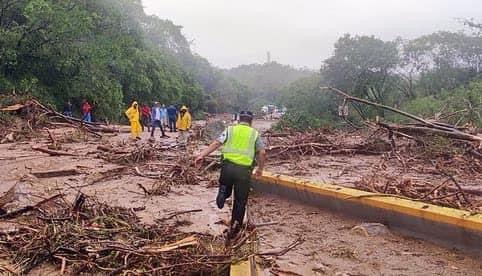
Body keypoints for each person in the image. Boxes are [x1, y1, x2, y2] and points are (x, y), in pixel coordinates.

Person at [195, 111, 266, 239]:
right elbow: (262, 153)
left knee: (225, 185)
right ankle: (235, 226)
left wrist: (202, 155)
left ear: (239, 120)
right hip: (244, 171)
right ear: (251, 122)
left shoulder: (230, 130)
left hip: (227, 167)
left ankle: (223, 192)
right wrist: (260, 169)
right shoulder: (254, 134)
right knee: (240, 200)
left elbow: (217, 143)